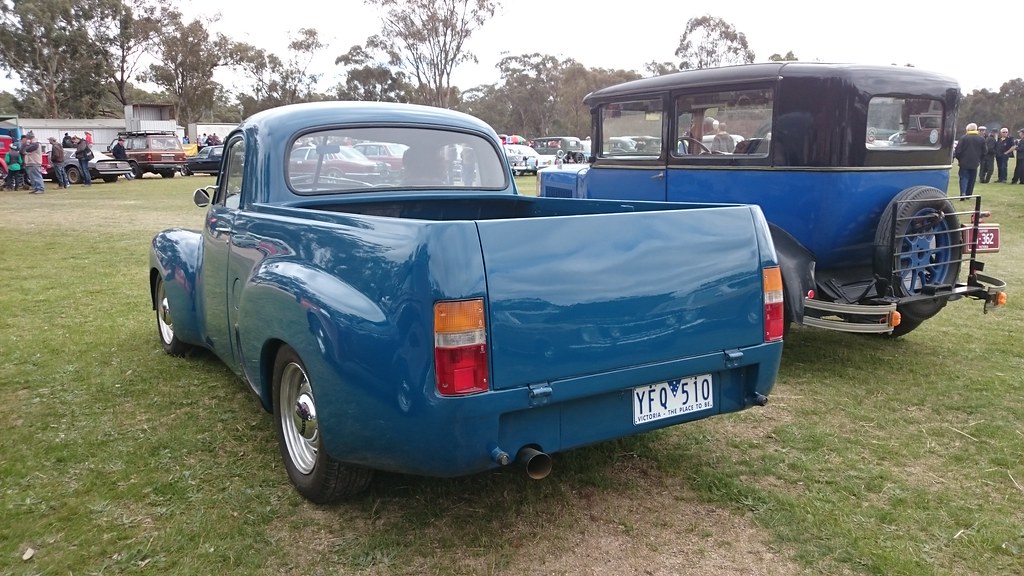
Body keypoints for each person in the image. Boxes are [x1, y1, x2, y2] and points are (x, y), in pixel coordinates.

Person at [952, 122, 985, 198]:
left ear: (968, 129)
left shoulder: (963, 138)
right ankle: (969, 194)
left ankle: (963, 192)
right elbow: (984, 151)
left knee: (963, 177)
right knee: (972, 179)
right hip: (975, 162)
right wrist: (979, 159)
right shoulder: (981, 139)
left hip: (964, 162)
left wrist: (959, 159)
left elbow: (958, 151)